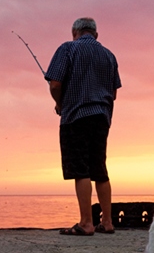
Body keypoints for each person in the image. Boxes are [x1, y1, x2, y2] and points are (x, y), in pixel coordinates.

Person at [45, 17, 121, 236]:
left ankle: (86, 223)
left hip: (75, 115)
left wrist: (60, 104)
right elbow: (114, 93)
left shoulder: (68, 49)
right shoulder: (109, 55)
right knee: (100, 168)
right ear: (95, 34)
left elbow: (55, 84)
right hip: (102, 117)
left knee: (80, 169)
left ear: (74, 32)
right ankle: (107, 222)